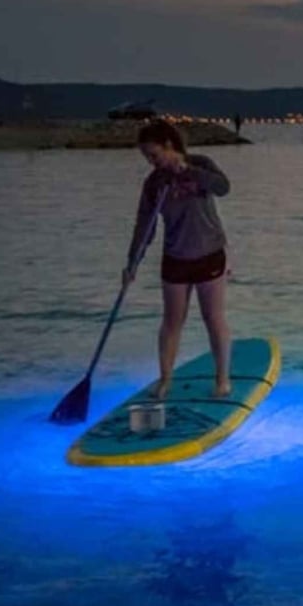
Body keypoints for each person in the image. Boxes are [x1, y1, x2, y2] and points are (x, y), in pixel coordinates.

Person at [125, 119, 233, 400]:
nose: (151, 161)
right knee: (172, 321)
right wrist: (132, 263)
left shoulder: (201, 163)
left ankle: (222, 380)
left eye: (154, 155)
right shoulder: (155, 182)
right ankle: (165, 380)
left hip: (210, 253)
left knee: (213, 318)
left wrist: (191, 172)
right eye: (147, 157)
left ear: (169, 146)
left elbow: (223, 187)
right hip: (176, 258)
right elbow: (144, 225)